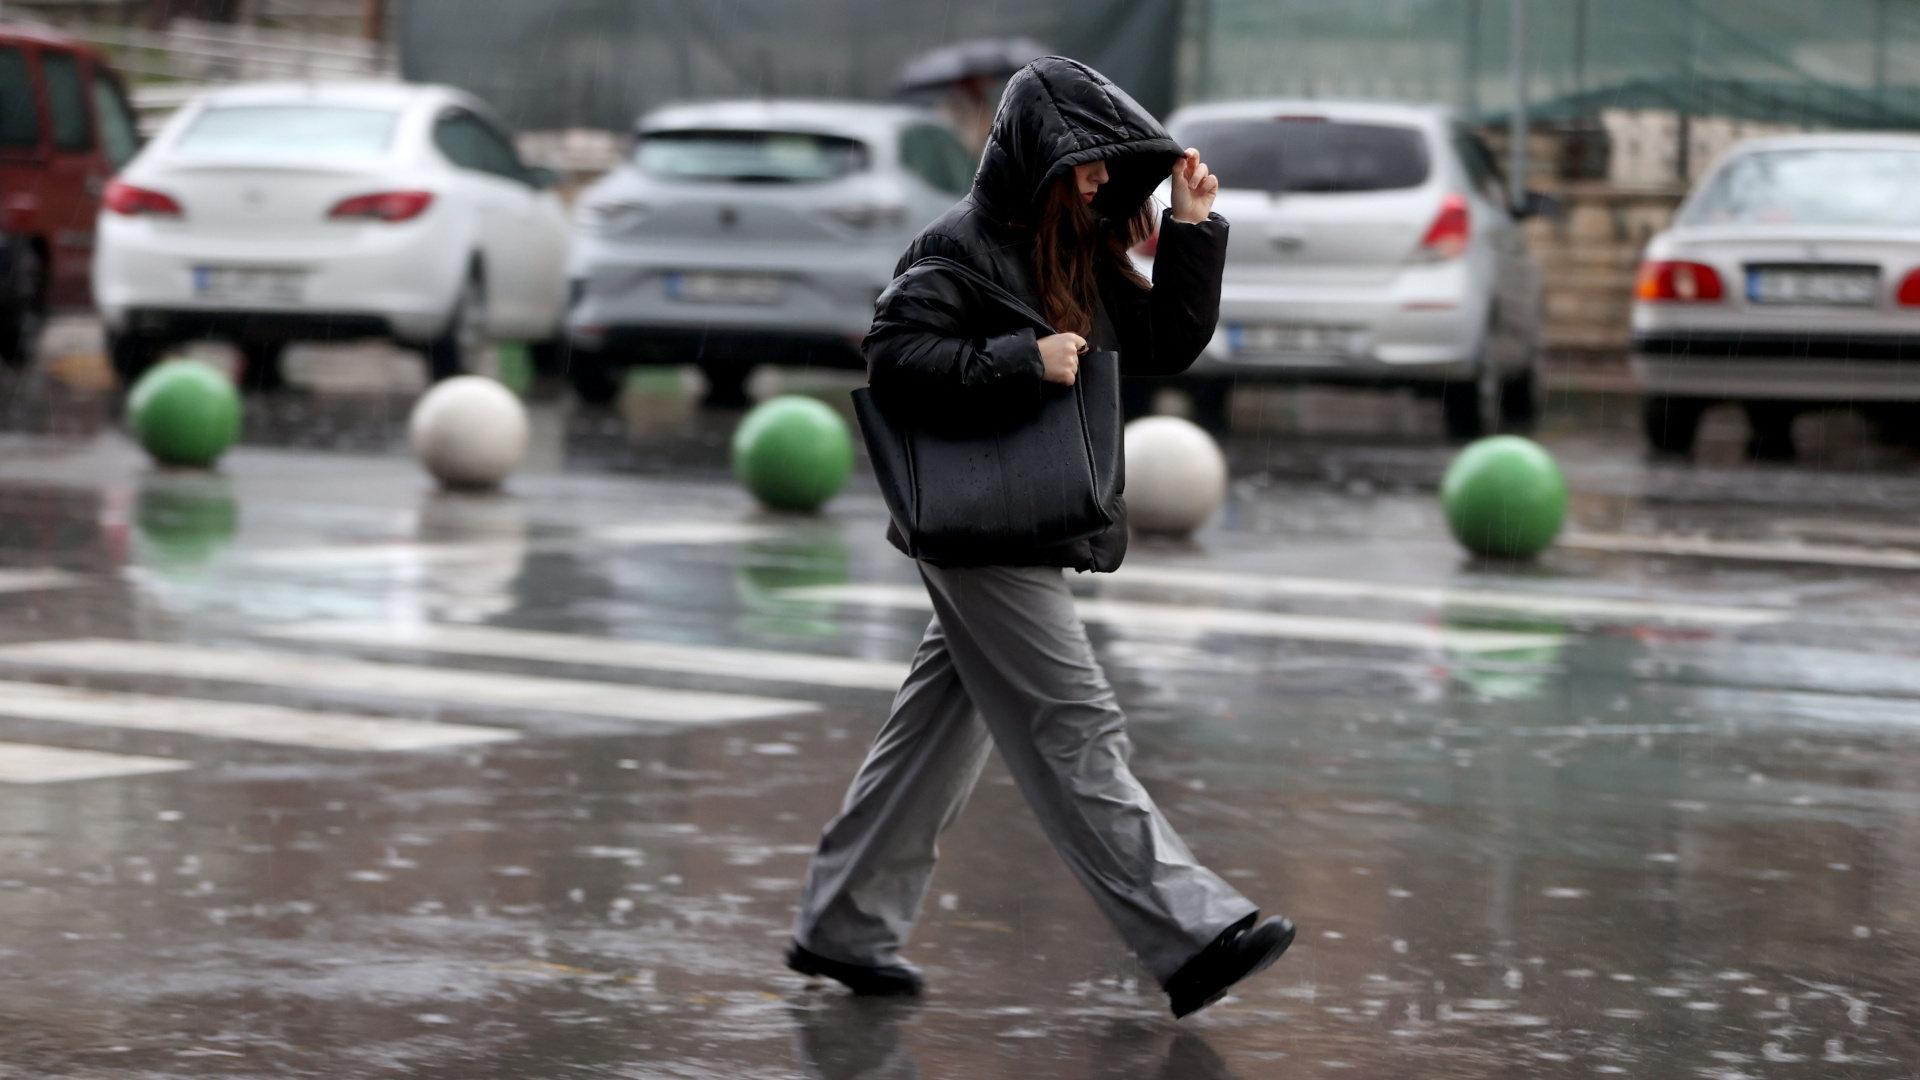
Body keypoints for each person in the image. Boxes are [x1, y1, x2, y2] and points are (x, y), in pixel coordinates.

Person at [786, 56, 1294, 1020]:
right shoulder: (960, 245)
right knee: (1073, 719)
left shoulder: (1074, 249)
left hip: (1017, 511)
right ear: (1040, 157)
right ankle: (1188, 931)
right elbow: (895, 359)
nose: (1103, 180)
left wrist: (1190, 227)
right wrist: (1021, 358)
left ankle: (844, 923)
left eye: (1111, 165)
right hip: (978, 521)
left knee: (937, 734)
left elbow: (1160, 344)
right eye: (1089, 164)